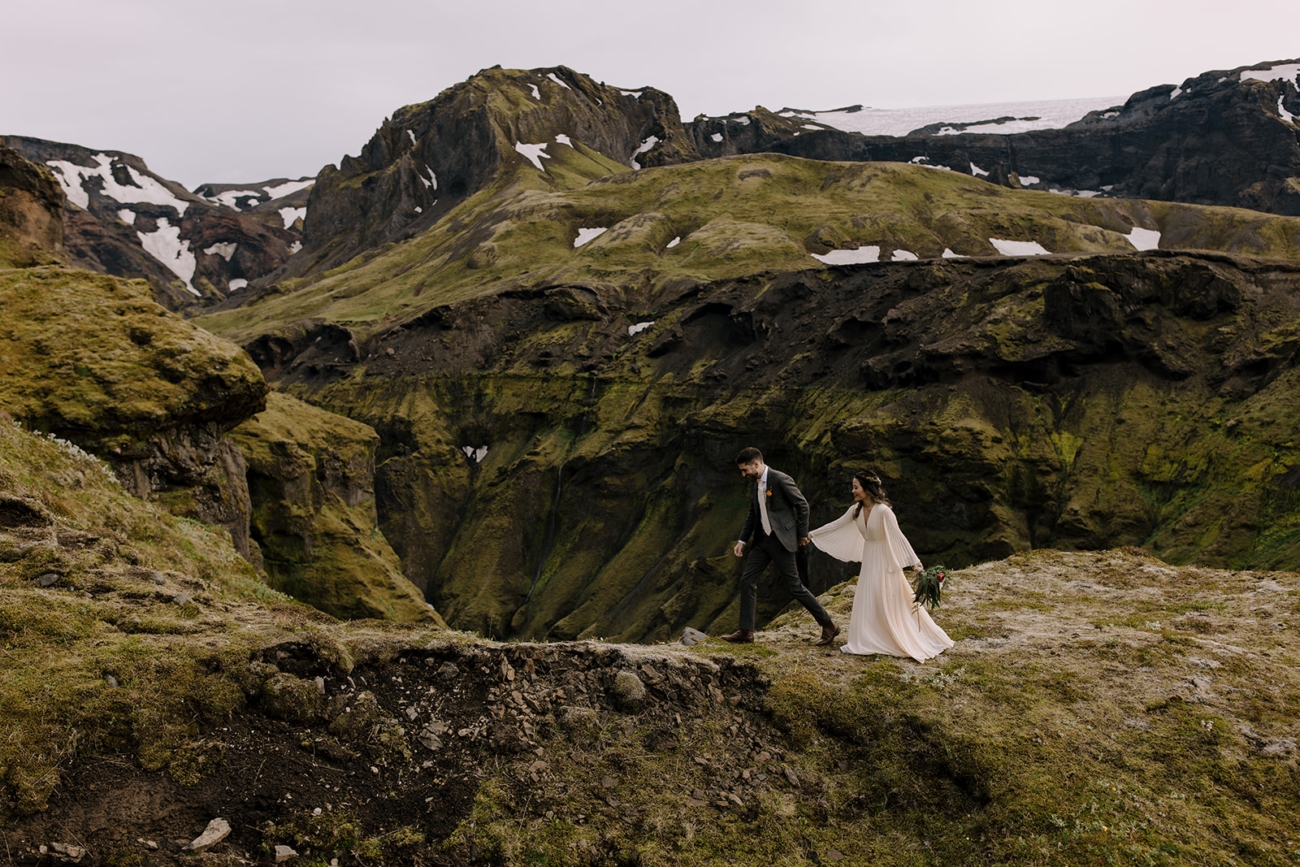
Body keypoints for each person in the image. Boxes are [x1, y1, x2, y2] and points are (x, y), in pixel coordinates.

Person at [808, 472, 953, 662]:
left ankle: (891, 635)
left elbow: (899, 537)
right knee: (868, 596)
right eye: (853, 487)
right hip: (869, 559)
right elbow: (836, 525)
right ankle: (869, 638)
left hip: (885, 561)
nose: (853, 491)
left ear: (867, 489)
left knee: (886, 597)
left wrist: (916, 564)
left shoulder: (884, 512)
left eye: (856, 487)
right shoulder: (855, 510)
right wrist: (811, 535)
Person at [725, 447, 840, 646]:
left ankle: (829, 625)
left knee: (795, 587)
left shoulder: (780, 479)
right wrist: (742, 541)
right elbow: (753, 514)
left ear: (756, 464)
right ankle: (746, 632)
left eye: (745, 470)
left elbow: (802, 505)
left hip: (781, 541)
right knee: (747, 580)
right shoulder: (754, 484)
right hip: (762, 542)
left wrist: (802, 534)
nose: (744, 475)